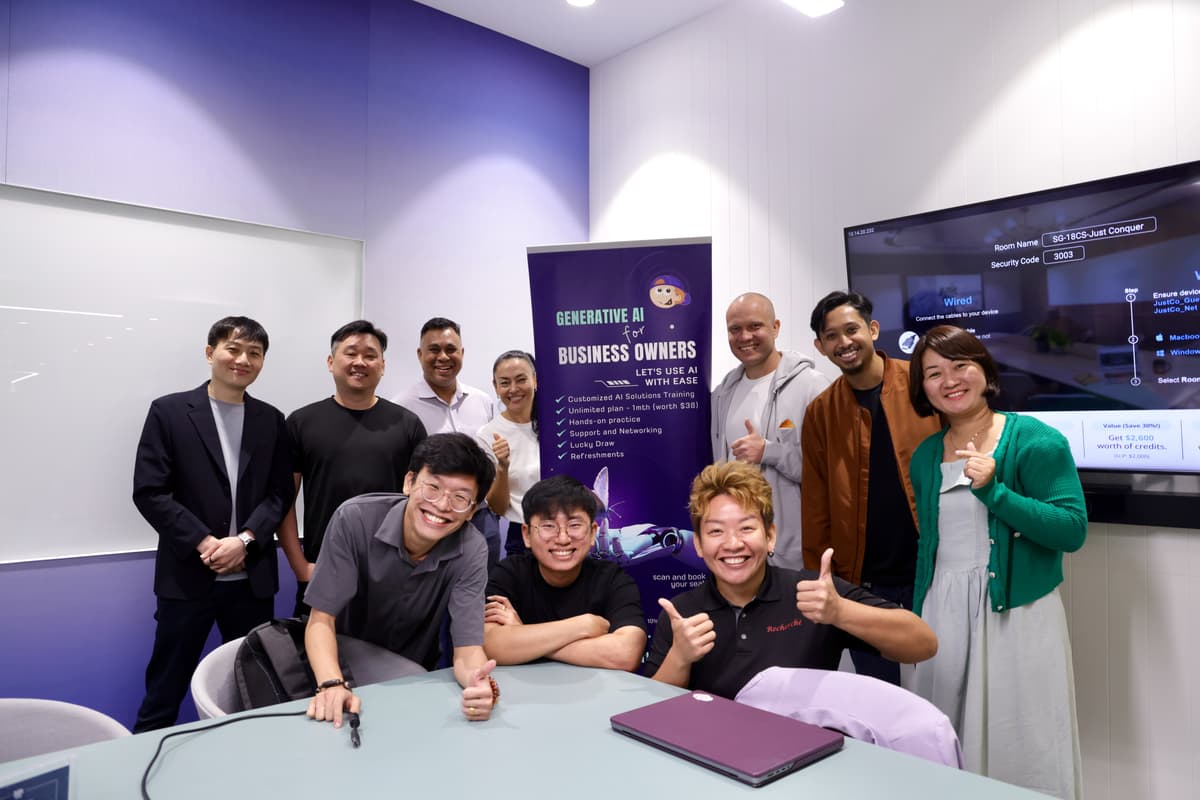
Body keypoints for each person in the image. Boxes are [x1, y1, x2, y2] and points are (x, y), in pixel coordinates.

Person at [907, 325, 1085, 799]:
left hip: (1016, 614)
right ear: (922, 388)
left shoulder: (1035, 440)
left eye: (960, 365)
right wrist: (917, 615)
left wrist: (995, 491)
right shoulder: (925, 456)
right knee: (945, 738)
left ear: (985, 371)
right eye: (933, 373)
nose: (949, 380)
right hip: (942, 615)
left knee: (1021, 740)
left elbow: (1072, 530)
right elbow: (930, 547)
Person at [646, 461, 936, 699]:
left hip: (807, 747)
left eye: (746, 528)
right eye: (716, 532)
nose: (733, 544)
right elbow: (651, 713)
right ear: (698, 544)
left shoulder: (814, 594)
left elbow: (922, 644)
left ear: (770, 536)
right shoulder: (681, 613)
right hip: (711, 749)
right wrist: (679, 657)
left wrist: (840, 611)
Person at [131, 316, 293, 731]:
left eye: (254, 353)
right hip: (188, 578)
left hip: (251, 582)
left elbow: (280, 494)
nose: (243, 360)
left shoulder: (271, 419)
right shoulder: (169, 412)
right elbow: (150, 492)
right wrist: (205, 543)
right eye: (233, 349)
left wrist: (245, 541)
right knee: (164, 690)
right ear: (210, 353)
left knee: (255, 691)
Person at [302, 433, 498, 727]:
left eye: (460, 498)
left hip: (411, 679)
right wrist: (331, 684)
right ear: (409, 482)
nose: (442, 505)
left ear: (472, 510)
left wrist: (478, 684)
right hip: (339, 666)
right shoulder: (354, 519)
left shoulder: (472, 549)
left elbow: (468, 648)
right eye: (432, 488)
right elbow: (321, 620)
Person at [801, 290, 941, 685]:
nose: (844, 342)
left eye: (852, 330)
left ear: (873, 329)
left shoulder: (922, 384)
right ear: (820, 346)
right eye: (832, 336)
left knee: (945, 686)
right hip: (864, 584)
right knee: (882, 696)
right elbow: (815, 506)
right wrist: (822, 581)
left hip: (933, 572)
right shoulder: (821, 412)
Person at [278, 320, 426, 615]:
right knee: (318, 642)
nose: (360, 362)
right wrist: (300, 566)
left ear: (382, 366)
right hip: (323, 568)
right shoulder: (301, 422)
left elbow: (423, 498)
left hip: (393, 570)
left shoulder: (407, 424)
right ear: (331, 362)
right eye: (351, 353)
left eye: (370, 355)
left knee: (388, 645)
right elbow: (284, 501)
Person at [710, 292, 829, 570]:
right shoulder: (721, 395)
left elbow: (830, 473)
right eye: (735, 329)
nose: (744, 337)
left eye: (755, 326)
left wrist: (769, 451)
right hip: (739, 550)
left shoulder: (813, 387)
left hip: (793, 555)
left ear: (775, 327)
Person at [483, 475, 646, 670]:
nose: (562, 539)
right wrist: (584, 625)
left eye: (574, 525)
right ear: (526, 534)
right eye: (548, 526)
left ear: (593, 532)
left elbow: (626, 655)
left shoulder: (612, 579)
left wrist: (522, 635)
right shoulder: (509, 573)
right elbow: (490, 645)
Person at [394, 316, 500, 564]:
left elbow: (492, 460)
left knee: (485, 585)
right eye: (434, 350)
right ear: (420, 354)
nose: (443, 357)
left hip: (481, 520)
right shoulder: (401, 408)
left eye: (451, 349)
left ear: (461, 353)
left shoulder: (482, 401)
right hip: (431, 520)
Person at [474, 350, 540, 557]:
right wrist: (503, 467)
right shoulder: (488, 435)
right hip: (523, 537)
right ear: (495, 387)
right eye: (504, 383)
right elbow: (497, 508)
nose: (513, 389)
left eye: (521, 380)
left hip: (569, 529)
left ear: (535, 380)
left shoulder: (559, 422)